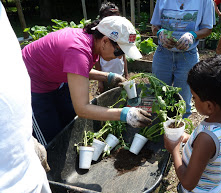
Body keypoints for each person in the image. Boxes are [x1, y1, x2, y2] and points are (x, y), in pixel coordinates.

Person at [22, 16, 152, 144]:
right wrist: (125, 114)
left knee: (69, 122)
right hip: (31, 86)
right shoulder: (77, 51)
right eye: (119, 52)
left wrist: (107, 76)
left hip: (55, 80)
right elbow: (82, 109)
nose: (120, 57)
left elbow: (77, 69)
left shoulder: (90, 43)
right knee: (50, 138)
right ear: (105, 41)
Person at [164, 54, 221, 193]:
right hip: (216, 188)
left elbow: (188, 182)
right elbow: (213, 151)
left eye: (194, 97)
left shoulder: (207, 139)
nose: (192, 100)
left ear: (209, 106)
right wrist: (188, 138)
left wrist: (174, 150)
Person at [0, 1, 55, 193]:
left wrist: (23, 139)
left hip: (25, 166)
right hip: (7, 188)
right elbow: (81, 107)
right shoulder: (77, 49)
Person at [150, 0, 215, 118]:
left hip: (187, 56)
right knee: (159, 98)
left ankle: (178, 133)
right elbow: (155, 25)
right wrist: (160, 32)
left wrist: (193, 35)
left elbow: (208, 28)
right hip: (163, 54)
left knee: (183, 102)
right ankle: (161, 132)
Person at [95, 2, 129, 93]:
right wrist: (100, 81)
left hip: (119, 74)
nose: (118, 56)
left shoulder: (119, 36)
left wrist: (126, 74)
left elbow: (123, 57)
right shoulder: (98, 42)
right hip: (106, 77)